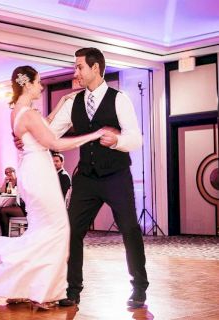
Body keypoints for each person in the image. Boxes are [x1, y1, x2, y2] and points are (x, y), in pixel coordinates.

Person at [0, 66, 103, 309]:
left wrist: (63, 101)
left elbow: (44, 125)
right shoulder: (28, 114)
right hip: (39, 174)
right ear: (28, 83)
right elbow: (52, 141)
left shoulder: (19, 113)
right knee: (57, 229)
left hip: (32, 171)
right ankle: (44, 289)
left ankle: (27, 286)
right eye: (39, 82)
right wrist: (93, 136)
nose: (41, 87)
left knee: (43, 231)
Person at [46, 47, 148, 308]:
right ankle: (73, 289)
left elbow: (136, 138)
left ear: (95, 68)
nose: (75, 72)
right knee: (72, 231)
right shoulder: (74, 103)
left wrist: (117, 141)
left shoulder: (119, 98)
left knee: (130, 229)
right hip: (86, 178)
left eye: (79, 66)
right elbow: (51, 134)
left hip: (116, 176)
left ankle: (139, 287)